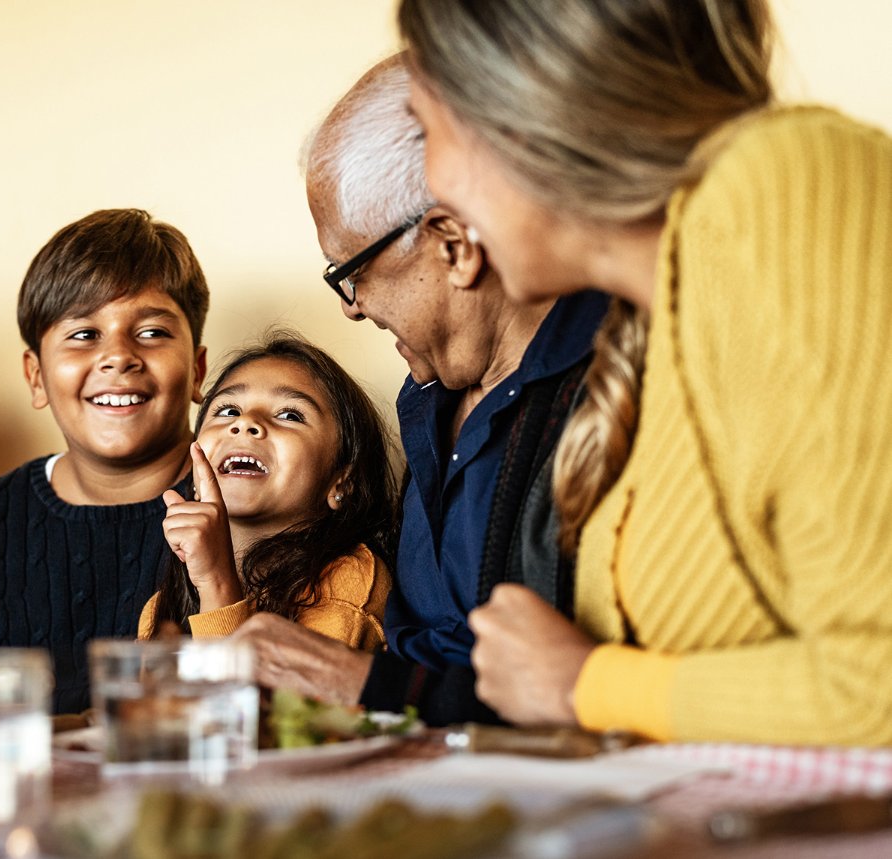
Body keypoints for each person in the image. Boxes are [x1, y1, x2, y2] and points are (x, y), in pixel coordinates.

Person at [400, 0, 892, 744]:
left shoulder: (783, 182)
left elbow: (876, 678)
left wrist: (587, 683)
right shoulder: (649, 324)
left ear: (523, 111)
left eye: (425, 130)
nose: (435, 191)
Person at [230, 55, 607, 724]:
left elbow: (588, 694)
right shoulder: (427, 397)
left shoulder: (613, 386)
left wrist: (365, 683)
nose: (350, 307)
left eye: (350, 271)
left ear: (453, 244)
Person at [0, 208, 210, 713]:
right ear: (36, 378)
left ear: (198, 371)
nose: (119, 356)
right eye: (83, 334)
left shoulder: (247, 503)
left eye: (152, 333)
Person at [138, 334, 397, 652]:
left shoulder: (350, 579)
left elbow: (279, 702)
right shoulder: (161, 607)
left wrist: (216, 583)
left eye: (290, 415)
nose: (245, 422)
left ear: (342, 481)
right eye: (228, 410)